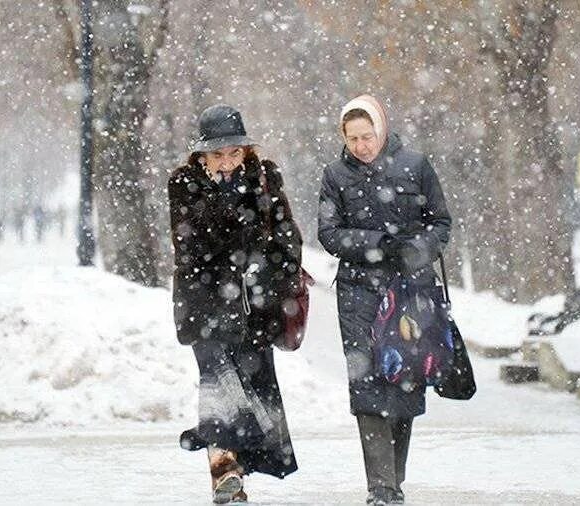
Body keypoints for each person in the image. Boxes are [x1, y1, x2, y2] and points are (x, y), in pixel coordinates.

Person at [317, 95, 452, 506]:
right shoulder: (334, 175)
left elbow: (441, 223)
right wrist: (378, 244)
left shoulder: (416, 165)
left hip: (411, 291)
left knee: (406, 382)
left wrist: (415, 251)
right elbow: (329, 232)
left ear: (382, 128)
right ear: (344, 137)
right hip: (359, 294)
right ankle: (381, 487)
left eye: (368, 135)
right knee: (367, 386)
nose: (362, 145)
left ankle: (393, 478)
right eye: (353, 137)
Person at [168, 104, 303, 504]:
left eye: (234, 152)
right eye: (217, 154)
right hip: (204, 304)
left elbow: (286, 234)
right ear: (201, 155)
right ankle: (224, 471)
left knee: (255, 387)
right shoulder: (184, 183)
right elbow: (190, 246)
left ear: (246, 150)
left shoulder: (265, 177)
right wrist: (224, 205)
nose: (226, 161)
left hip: (254, 304)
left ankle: (238, 464)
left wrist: (272, 269)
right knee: (218, 383)